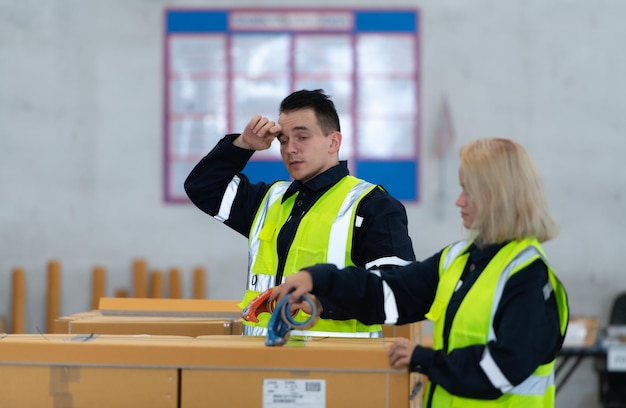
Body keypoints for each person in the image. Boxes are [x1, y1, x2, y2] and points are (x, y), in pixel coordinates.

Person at [271, 137, 569, 407]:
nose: (459, 201)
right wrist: (319, 279)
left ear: (497, 197)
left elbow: (499, 371)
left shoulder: (529, 278)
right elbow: (390, 293)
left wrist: (422, 358)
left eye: (468, 190)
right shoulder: (461, 259)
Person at [184, 89, 416, 337]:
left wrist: (319, 304)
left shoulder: (372, 206)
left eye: (302, 137)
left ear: (333, 142)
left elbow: (398, 288)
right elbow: (202, 187)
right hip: (262, 362)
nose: (290, 149)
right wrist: (243, 145)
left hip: (338, 367)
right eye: (283, 141)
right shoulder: (268, 201)